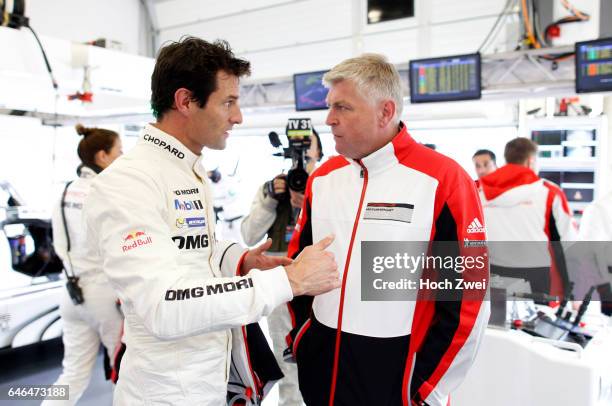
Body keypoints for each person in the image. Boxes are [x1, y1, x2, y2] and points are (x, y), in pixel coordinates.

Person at [83, 37, 340, 405]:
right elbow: (165, 305)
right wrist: (289, 281)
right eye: (229, 102)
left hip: (210, 381)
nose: (238, 117)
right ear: (186, 101)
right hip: (165, 395)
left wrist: (239, 259)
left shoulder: (187, 169)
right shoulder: (127, 183)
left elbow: (187, 246)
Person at [286, 54, 490, 406]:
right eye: (330, 106)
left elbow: (468, 298)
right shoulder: (323, 179)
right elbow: (297, 265)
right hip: (321, 375)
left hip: (398, 383)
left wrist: (427, 386)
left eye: (343, 107)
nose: (329, 119)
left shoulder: (443, 181)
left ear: (385, 112)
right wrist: (304, 337)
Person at [241, 128, 324, 406]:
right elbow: (249, 236)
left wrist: (312, 204)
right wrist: (269, 201)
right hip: (280, 280)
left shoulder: (329, 185)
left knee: (326, 360)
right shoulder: (273, 188)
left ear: (319, 154)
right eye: (295, 148)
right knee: (287, 363)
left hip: (323, 283)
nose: (301, 156)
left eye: (307, 148)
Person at [44, 124, 124, 405]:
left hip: (71, 293)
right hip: (105, 295)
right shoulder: (107, 193)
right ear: (102, 156)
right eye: (120, 152)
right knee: (126, 373)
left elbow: (58, 245)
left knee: (72, 375)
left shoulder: (65, 193)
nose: (122, 158)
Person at [479, 137, 578, 296]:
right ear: (531, 161)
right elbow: (571, 243)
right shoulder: (549, 192)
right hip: (537, 277)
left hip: (492, 275)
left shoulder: (481, 191)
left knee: (496, 320)